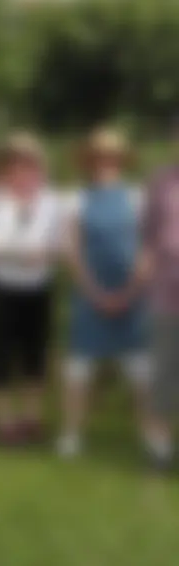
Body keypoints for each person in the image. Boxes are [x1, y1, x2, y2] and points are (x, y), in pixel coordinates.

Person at [58, 126, 166, 463]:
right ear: (89, 162)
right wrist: (95, 294)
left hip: (132, 297)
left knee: (142, 375)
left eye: (112, 157)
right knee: (78, 372)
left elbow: (149, 249)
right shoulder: (75, 199)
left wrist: (129, 292)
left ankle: (153, 439)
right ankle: (71, 435)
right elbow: (73, 253)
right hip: (90, 297)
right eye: (99, 158)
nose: (105, 163)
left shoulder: (138, 197)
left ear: (121, 161)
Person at [0, 131, 61, 447]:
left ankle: (32, 418)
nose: (20, 168)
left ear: (37, 164)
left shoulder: (50, 198)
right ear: (3, 165)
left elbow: (60, 240)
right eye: (13, 161)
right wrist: (21, 252)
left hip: (38, 286)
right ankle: (5, 421)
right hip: (1, 286)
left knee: (35, 355)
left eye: (27, 161)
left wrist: (47, 252)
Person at [136, 118, 179, 472]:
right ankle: (160, 451)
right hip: (166, 293)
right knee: (162, 373)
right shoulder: (161, 183)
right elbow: (148, 238)